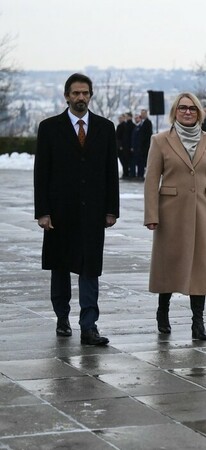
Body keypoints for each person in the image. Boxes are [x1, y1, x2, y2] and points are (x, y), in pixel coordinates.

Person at [33, 73, 120, 346]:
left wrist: (111, 210)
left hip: (93, 212)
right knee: (60, 267)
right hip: (60, 212)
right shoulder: (50, 128)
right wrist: (43, 211)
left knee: (90, 268)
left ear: (91, 96)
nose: (80, 97)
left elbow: (110, 173)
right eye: (76, 93)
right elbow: (41, 173)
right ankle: (62, 317)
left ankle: (89, 325)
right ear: (67, 96)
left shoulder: (105, 128)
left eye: (85, 93)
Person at [144, 92, 206, 340]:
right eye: (182, 108)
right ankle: (163, 310)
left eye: (192, 108)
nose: (188, 112)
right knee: (169, 265)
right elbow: (151, 180)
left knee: (200, 268)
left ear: (199, 112)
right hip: (171, 212)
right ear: (175, 111)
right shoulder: (160, 140)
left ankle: (198, 322)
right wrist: (151, 214)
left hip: (202, 210)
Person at [136, 108, 153, 178]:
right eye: (141, 113)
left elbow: (148, 134)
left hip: (145, 146)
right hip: (140, 145)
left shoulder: (148, 122)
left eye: (143, 114)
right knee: (140, 161)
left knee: (144, 161)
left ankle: (142, 174)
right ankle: (140, 174)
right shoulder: (141, 123)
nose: (142, 115)